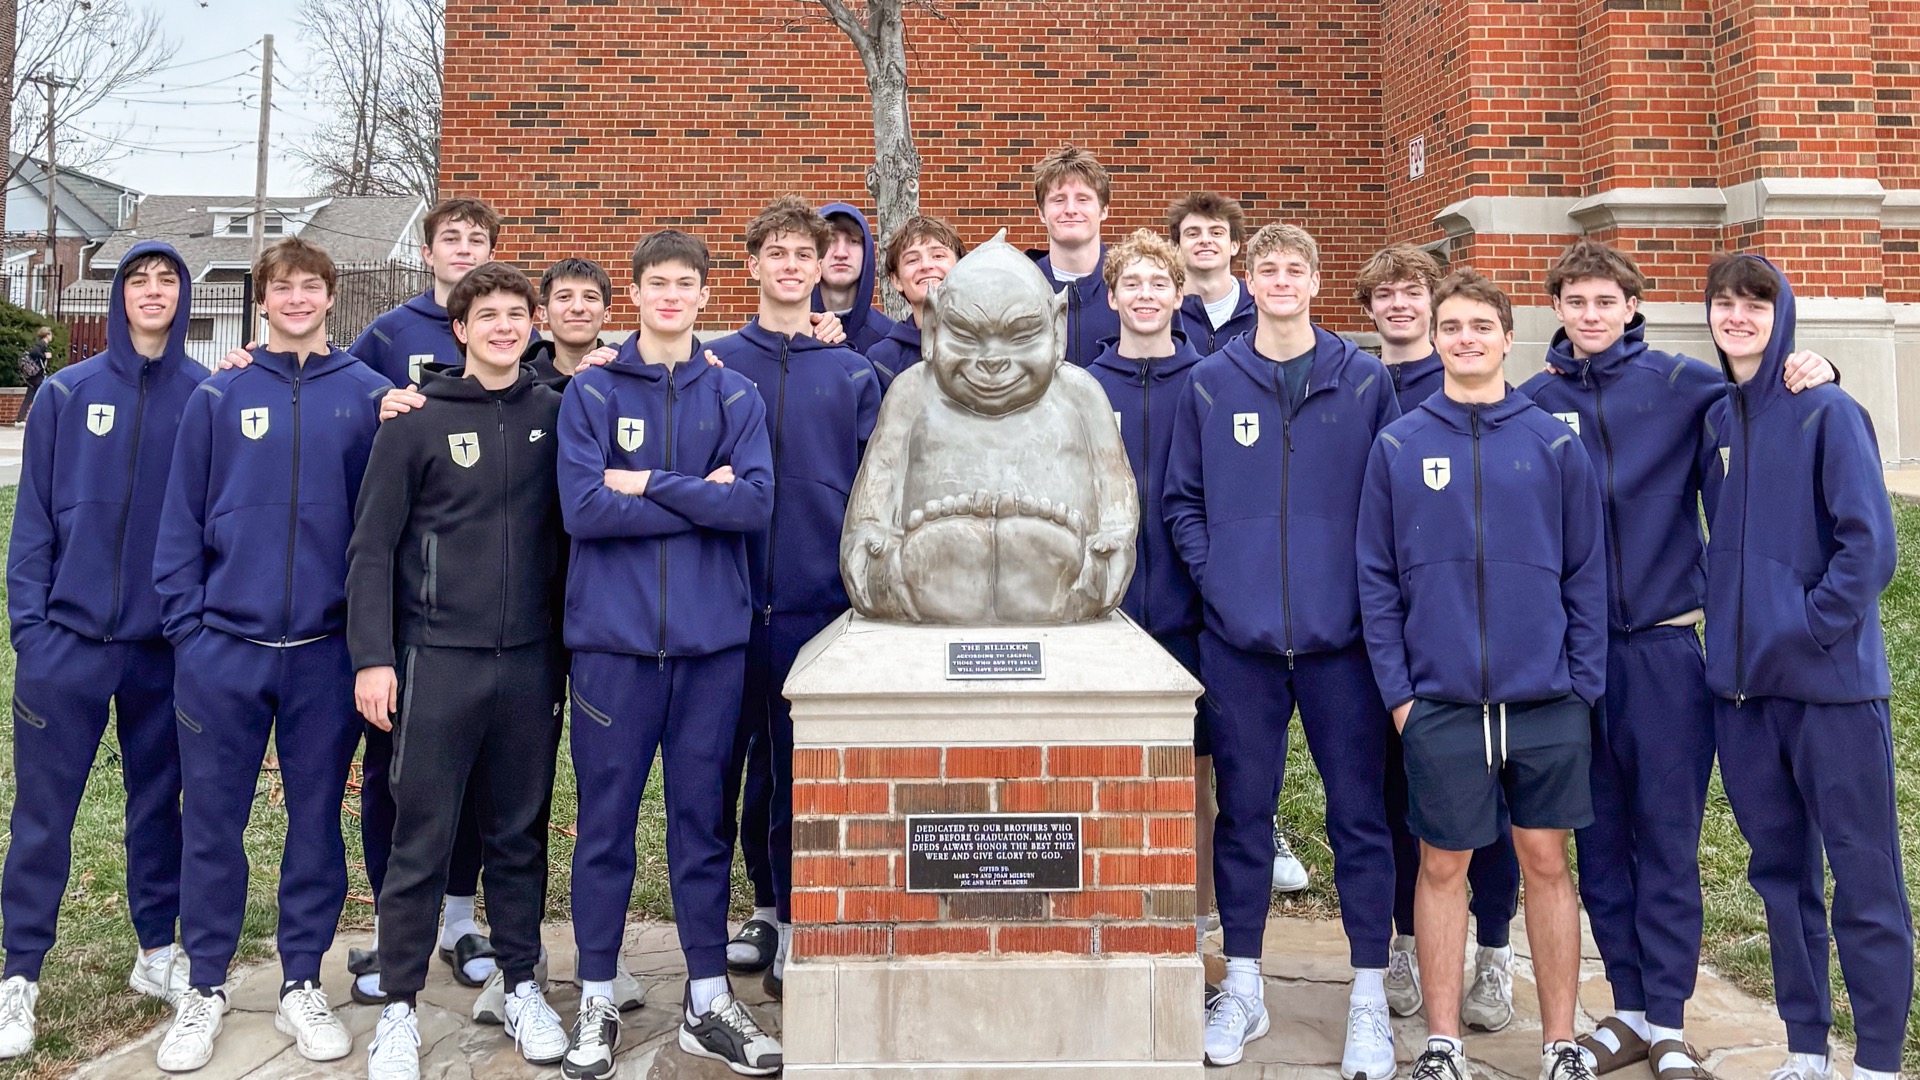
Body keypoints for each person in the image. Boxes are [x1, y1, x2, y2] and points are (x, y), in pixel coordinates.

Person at [1520, 239, 1834, 1078]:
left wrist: (1821, 362)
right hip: (1575, 660)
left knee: (1666, 840)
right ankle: (1623, 1009)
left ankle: (1667, 1019)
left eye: (1605, 302)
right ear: (1557, 308)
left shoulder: (1684, 385)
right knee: (1601, 841)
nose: (1590, 315)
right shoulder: (1532, 402)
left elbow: (1767, 397)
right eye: (1575, 302)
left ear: (1631, 307)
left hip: (1665, 648)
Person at [1357, 269, 1606, 1080]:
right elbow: (1378, 580)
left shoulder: (1553, 441)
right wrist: (1401, 697)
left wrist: (1581, 685)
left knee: (1544, 859)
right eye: (1452, 327)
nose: (1465, 338)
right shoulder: (1398, 443)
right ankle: (1442, 1044)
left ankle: (1560, 1044)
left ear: (1508, 338)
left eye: (1480, 327)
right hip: (1441, 702)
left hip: (1545, 699)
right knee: (1441, 864)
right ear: (1435, 339)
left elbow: (1586, 571)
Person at [1164, 223, 1400, 1073]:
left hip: (1344, 647)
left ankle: (1368, 995)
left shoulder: (1365, 381)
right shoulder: (1210, 382)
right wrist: (1222, 578)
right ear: (1248, 281)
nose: (1281, 281)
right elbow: (1182, 502)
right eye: (1267, 270)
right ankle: (1248, 988)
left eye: (1295, 268)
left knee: (1359, 820)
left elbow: (1389, 508)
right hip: (1242, 644)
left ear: (1314, 279)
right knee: (1246, 819)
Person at [151, 237, 391, 1072]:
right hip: (226, 651)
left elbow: (380, 532)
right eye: (281, 288)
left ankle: (301, 984)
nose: (296, 299)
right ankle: (206, 985)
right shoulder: (219, 396)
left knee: (315, 826)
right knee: (212, 825)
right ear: (262, 300)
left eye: (310, 287)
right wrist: (191, 632)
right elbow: (179, 520)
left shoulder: (367, 396)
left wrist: (367, 643)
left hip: (324, 654)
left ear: (330, 298)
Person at [556, 229, 780, 1079]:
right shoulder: (592, 394)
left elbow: (752, 506)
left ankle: (708, 998)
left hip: (710, 647)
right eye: (657, 284)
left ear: (703, 295)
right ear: (637, 296)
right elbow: (583, 508)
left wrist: (644, 482)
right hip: (612, 649)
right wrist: (699, 495)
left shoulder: (736, 399)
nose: (671, 297)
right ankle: (599, 999)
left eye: (686, 284)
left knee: (700, 829)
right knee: (605, 829)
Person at [350, 262, 571, 1080]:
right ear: (461, 329)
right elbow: (371, 549)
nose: (506, 327)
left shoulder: (560, 413)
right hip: (434, 661)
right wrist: (373, 657)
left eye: (519, 314)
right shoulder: (413, 421)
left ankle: (519, 987)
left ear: (532, 324)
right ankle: (400, 1009)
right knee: (423, 842)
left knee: (517, 838)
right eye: (490, 316)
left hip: (529, 667)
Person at [1699, 254, 1912, 1080]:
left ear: (1779, 315)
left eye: (1756, 304)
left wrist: (1808, 629)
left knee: (1865, 878)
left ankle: (1880, 1062)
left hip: (1832, 692)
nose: (1739, 317)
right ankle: (1805, 1049)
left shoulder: (1826, 409)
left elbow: (1871, 548)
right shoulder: (1717, 417)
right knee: (1781, 881)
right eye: (1725, 304)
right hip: (1745, 699)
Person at [0, 244, 204, 1058]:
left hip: (163, 653)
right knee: (43, 820)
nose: (152, 293)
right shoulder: (65, 392)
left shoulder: (207, 397)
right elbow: (34, 525)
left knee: (159, 809)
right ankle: (19, 978)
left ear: (184, 298)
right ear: (118, 297)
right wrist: (32, 633)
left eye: (167, 282)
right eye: (138, 281)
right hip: (69, 647)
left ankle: (157, 952)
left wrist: (189, 629)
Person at [711, 196, 882, 1001]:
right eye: (775, 254)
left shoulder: (850, 371)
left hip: (818, 609)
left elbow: (875, 495)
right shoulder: (713, 365)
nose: (789, 267)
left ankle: (789, 923)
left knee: (796, 776)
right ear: (752, 266)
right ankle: (720, 932)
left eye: (803, 256)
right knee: (714, 777)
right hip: (722, 606)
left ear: (821, 271)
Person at [1356, 242, 1520, 1027]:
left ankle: (1493, 950)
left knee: (1492, 809)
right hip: (1389, 642)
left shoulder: (1474, 391)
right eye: (1384, 294)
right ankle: (1404, 942)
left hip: (1478, 646)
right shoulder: (1355, 386)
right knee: (1397, 802)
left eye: (1412, 292)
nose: (1399, 305)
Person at [344, 195, 501, 998]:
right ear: (431, 251)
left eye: (478, 239)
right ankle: (387, 925)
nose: (465, 249)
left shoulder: (516, 341)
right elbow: (343, 384)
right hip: (417, 601)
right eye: (453, 238)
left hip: (493, 619)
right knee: (395, 778)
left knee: (479, 780)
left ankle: (458, 917)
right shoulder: (393, 332)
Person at [1085, 228, 1221, 944]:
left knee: (1194, 781)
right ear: (1111, 298)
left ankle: (1195, 927)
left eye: (1157, 284)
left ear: (1178, 295)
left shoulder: (1211, 384)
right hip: (1101, 616)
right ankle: (1108, 916)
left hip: (1187, 613)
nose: (1144, 296)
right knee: (1104, 770)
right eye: (1130, 284)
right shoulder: (1079, 388)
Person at [1026, 145, 1120, 367]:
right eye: (1058, 200)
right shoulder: (1021, 286)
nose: (1070, 209)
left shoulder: (1131, 285)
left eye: (1083, 199)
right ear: (1041, 212)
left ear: (1104, 209)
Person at [864, 215, 965, 382]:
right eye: (912, 260)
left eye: (938, 256)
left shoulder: (986, 345)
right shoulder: (882, 360)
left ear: (961, 267)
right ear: (896, 280)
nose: (926, 265)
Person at [1166, 193, 1255, 355]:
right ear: (1176, 247)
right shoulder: (1161, 310)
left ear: (1234, 245)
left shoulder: (1260, 309)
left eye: (1216, 233)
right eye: (1193, 234)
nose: (1205, 240)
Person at [813, 202, 897, 355]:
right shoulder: (790, 334)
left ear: (867, 253)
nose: (841, 253)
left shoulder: (890, 339)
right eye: (830, 241)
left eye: (853, 241)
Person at [15, 326, 51, 426]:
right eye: (50, 334)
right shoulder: (41, 344)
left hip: (34, 376)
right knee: (45, 395)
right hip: (37, 375)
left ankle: (19, 419)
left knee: (30, 397)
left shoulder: (41, 344)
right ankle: (42, 419)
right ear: (47, 335)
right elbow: (34, 352)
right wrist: (45, 356)